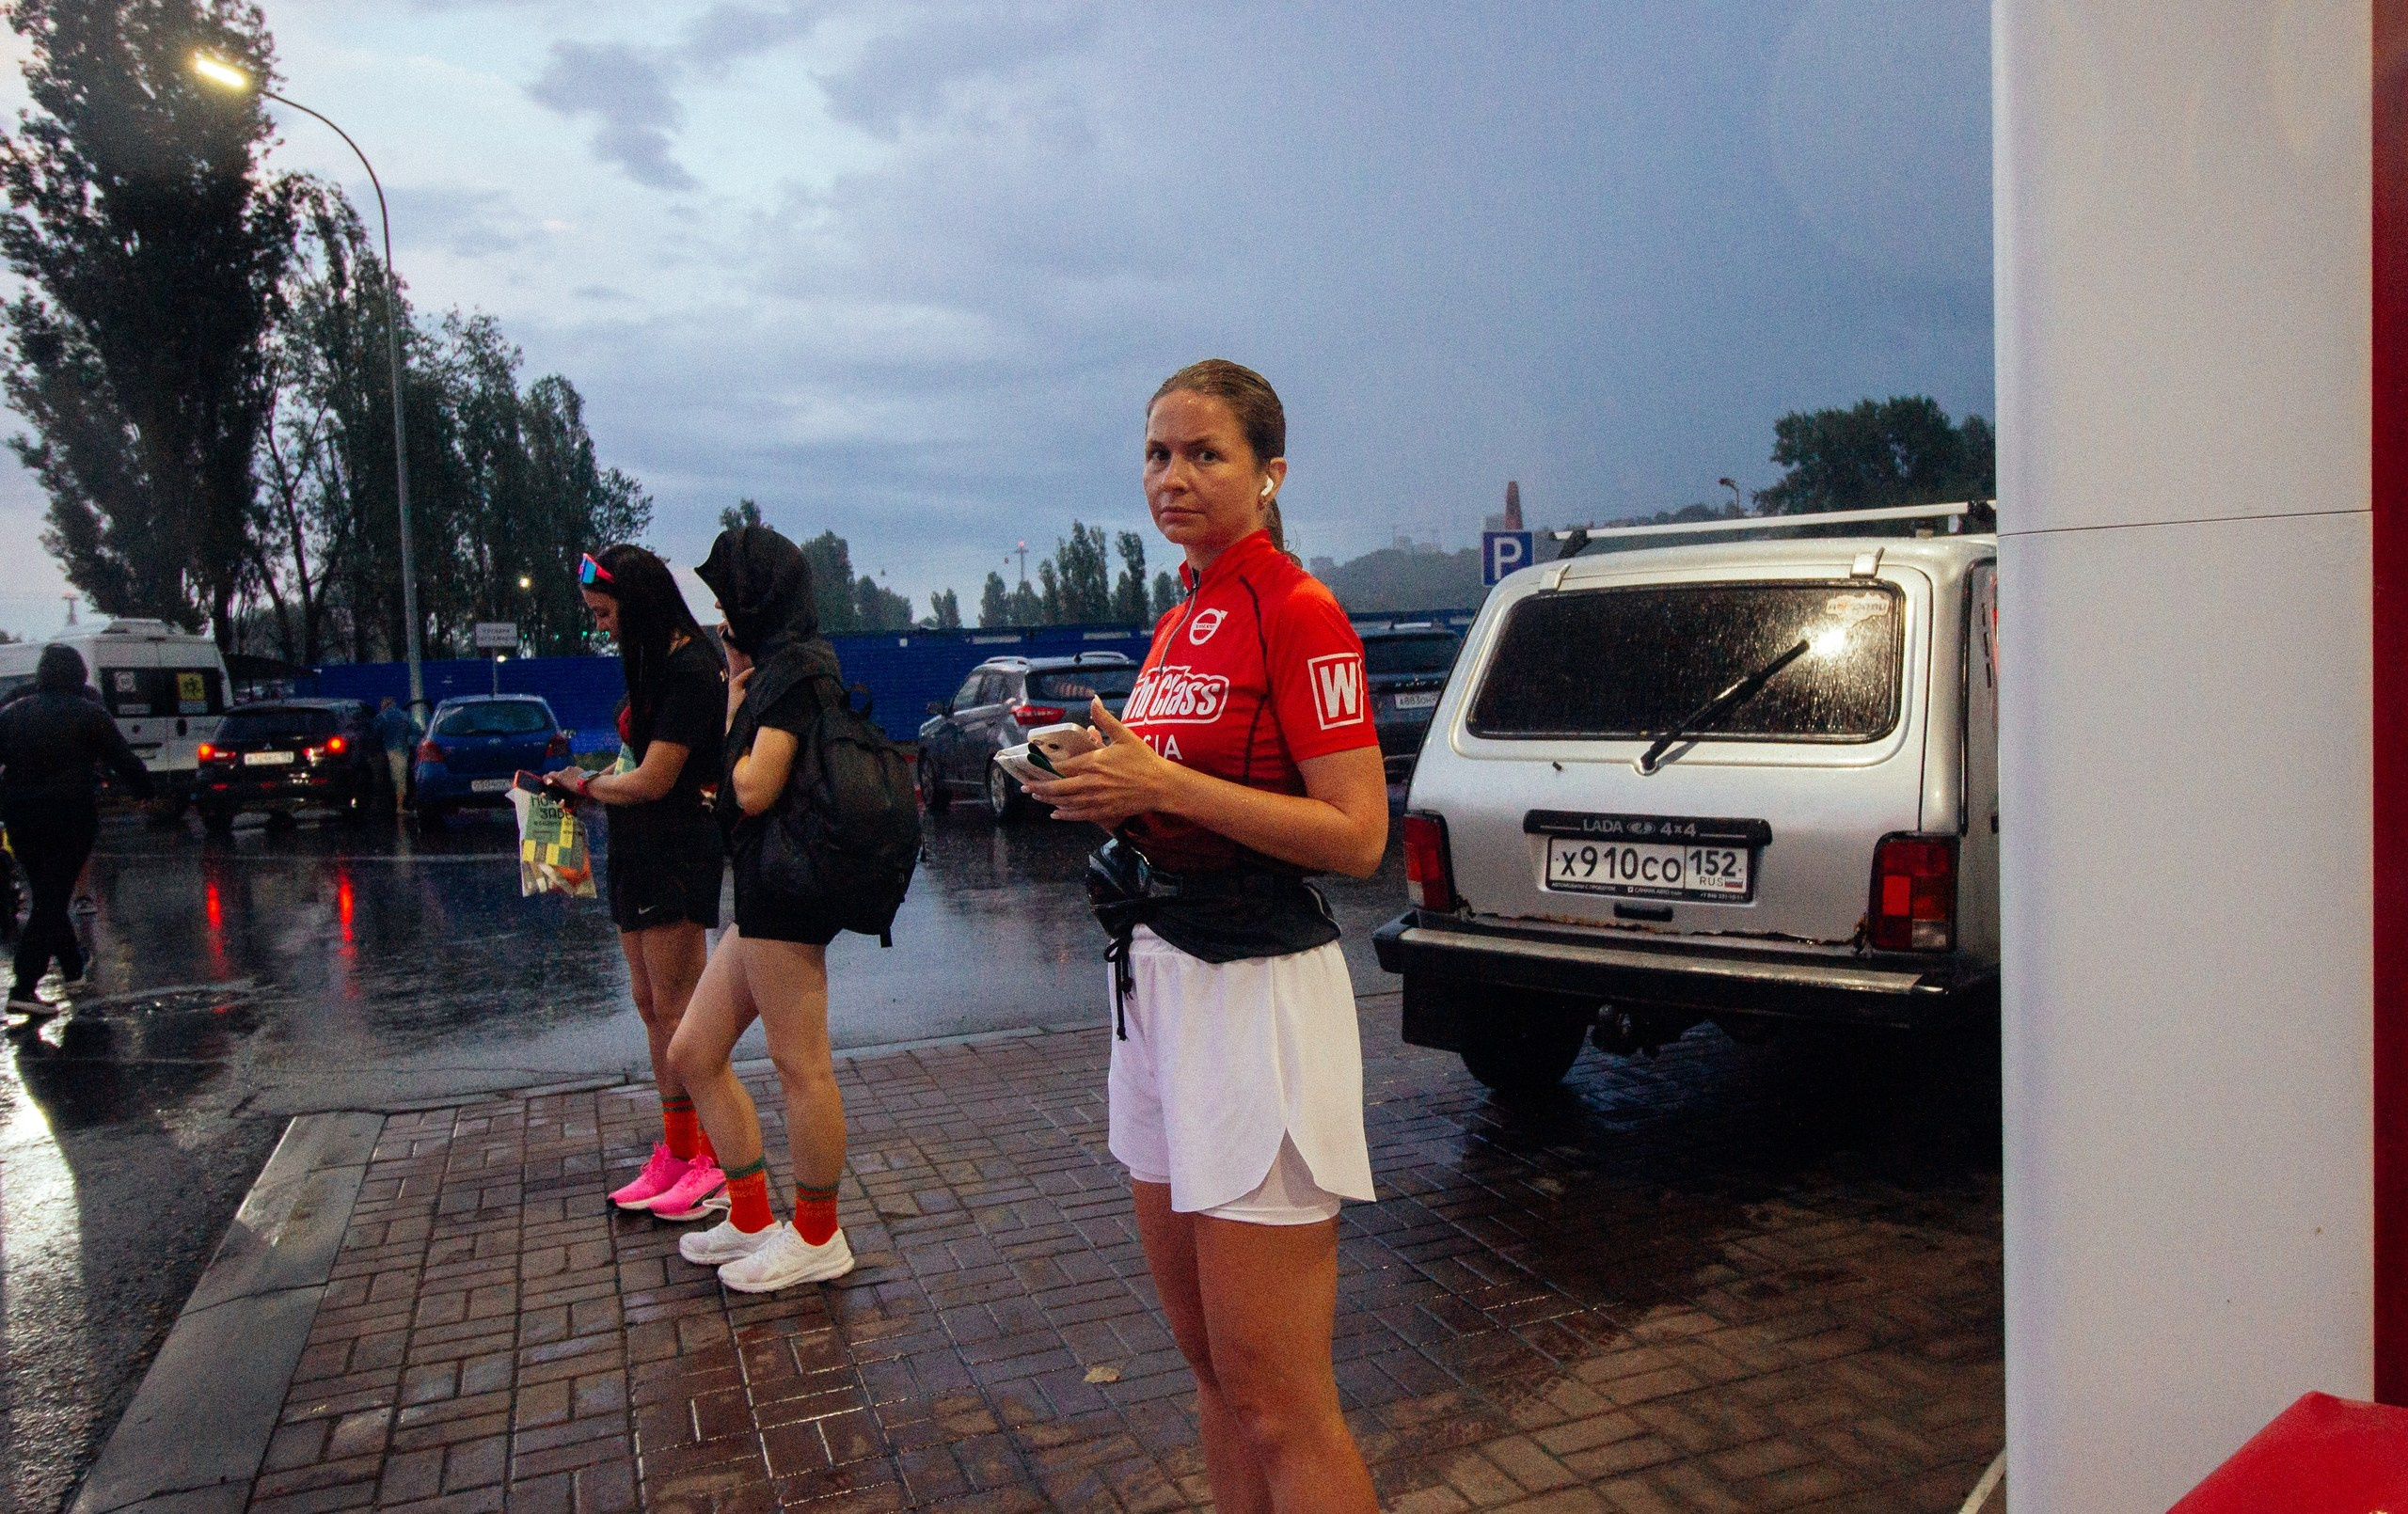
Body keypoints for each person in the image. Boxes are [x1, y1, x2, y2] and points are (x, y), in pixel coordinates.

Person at [1023, 360, 1387, 1514]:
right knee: (1212, 1368)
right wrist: (1105, 786)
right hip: (1159, 991)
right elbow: (1172, 789)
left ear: (1270, 472)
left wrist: (1163, 781)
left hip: (1258, 999)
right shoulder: (1179, 616)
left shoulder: (1299, 610)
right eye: (1155, 453)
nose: (1170, 476)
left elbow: (1356, 834)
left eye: (1203, 454)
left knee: (1281, 1395)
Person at [665, 525, 858, 1292]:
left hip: (788, 894)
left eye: (727, 600)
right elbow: (733, 788)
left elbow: (752, 789)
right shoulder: (770, 673)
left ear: (759, 599)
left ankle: (818, 1235)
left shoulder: (798, 672)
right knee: (693, 1052)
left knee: (799, 1064)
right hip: (760, 892)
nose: (719, 618)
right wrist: (737, 698)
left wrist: (738, 704)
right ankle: (751, 1215)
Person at [547, 545, 734, 1223]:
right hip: (635, 847)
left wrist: (587, 785)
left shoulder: (689, 669)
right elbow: (637, 764)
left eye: (605, 613)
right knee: (651, 1003)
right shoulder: (657, 662)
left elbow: (656, 778)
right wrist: (589, 784)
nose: (601, 628)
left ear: (639, 601)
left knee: (682, 1011)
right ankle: (678, 1149)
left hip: (676, 848)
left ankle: (709, 1156)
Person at [0, 644, 151, 1015]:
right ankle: (24, 987)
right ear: (79, 676)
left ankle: (72, 967)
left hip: (20, 819)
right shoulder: (90, 714)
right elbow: (124, 760)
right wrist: (147, 792)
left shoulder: (11, 714)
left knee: (48, 892)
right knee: (52, 899)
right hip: (69, 817)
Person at [372, 697, 418, 815]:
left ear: (385, 705)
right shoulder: (405, 716)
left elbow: (374, 733)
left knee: (385, 780)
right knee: (400, 779)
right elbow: (416, 730)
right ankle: (400, 806)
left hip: (385, 752)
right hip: (401, 751)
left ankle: (386, 806)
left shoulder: (381, 717)